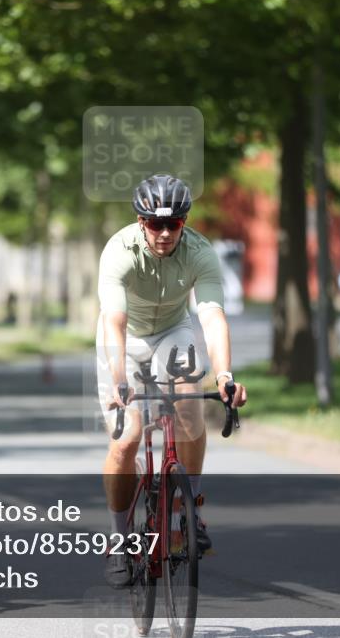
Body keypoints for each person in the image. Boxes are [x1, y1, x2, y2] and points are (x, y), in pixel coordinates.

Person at [97, 174, 248, 588]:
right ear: (140, 221)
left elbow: (213, 316)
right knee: (126, 440)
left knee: (189, 404)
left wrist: (225, 375)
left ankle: (189, 511)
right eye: (154, 224)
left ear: (185, 222)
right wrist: (118, 379)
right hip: (124, 341)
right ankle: (120, 539)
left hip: (173, 331)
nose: (164, 233)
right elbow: (114, 319)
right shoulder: (118, 251)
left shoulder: (200, 251)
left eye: (174, 224)